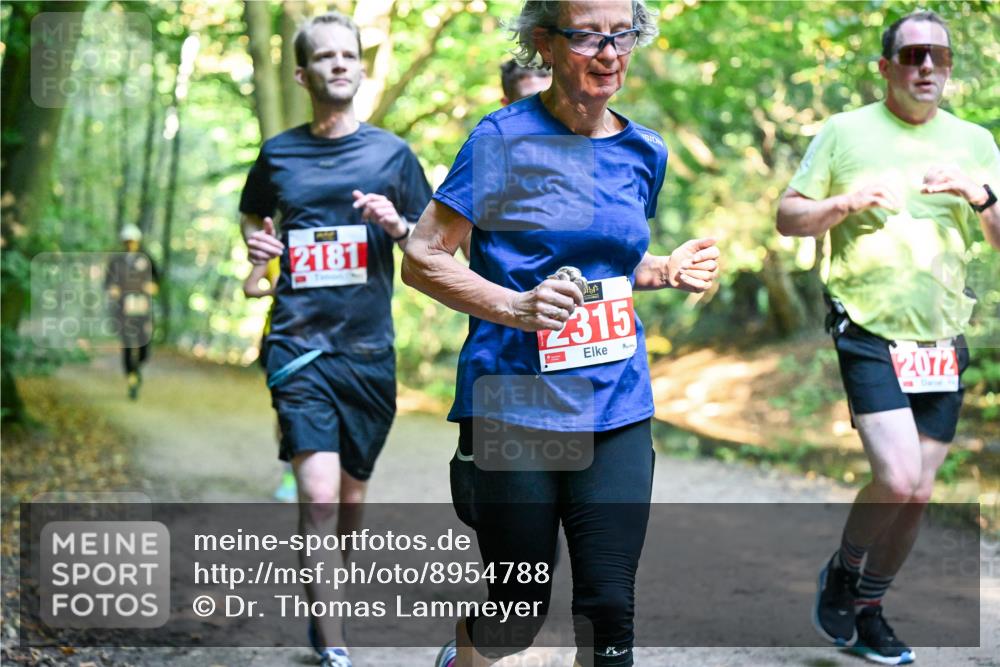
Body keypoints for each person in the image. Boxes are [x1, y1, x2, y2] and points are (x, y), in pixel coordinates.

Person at [402, 2, 719, 666]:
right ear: (544, 44)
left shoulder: (645, 149)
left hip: (616, 400)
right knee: (517, 612)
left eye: (621, 34)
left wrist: (668, 268)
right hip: (515, 401)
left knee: (610, 606)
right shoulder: (500, 140)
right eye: (586, 36)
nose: (608, 52)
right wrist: (519, 307)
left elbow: (615, 260)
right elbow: (424, 257)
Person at [776, 10, 999, 665]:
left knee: (922, 491)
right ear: (886, 67)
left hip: (941, 335)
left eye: (938, 55)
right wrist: (840, 205)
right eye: (911, 55)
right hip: (868, 325)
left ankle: (869, 607)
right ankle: (844, 573)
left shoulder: (975, 142)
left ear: (950, 67)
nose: (926, 66)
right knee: (898, 479)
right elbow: (788, 216)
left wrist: (980, 196)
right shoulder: (845, 133)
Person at [238, 11, 433, 667]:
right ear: (303, 73)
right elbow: (252, 216)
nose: (339, 64)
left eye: (349, 55)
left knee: (350, 498)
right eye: (324, 57)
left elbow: (434, 245)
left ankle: (331, 589)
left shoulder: (391, 156)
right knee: (318, 494)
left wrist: (399, 224)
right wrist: (257, 245)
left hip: (369, 353)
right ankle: (334, 639)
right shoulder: (279, 153)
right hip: (298, 345)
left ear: (360, 65)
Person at [242, 258, 296, 503]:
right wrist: (276, 289)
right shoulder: (275, 251)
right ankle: (289, 475)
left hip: (325, 337)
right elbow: (249, 287)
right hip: (280, 337)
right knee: (286, 410)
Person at [105, 224, 159, 400]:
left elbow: (158, 280)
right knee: (128, 344)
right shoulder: (116, 261)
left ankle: (137, 367)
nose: (130, 244)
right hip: (124, 309)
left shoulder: (147, 259)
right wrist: (113, 289)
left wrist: (152, 287)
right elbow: (108, 283)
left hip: (142, 308)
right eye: (127, 241)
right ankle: (132, 378)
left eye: (133, 241)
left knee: (144, 344)